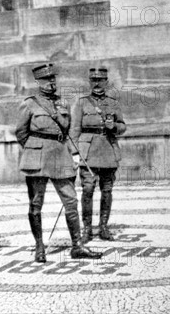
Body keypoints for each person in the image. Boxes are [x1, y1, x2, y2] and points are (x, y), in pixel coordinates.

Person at [16, 63, 102, 263]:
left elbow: (68, 129)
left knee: (71, 201)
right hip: (36, 159)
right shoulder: (29, 103)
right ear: (38, 82)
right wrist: (34, 149)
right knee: (36, 204)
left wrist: (70, 152)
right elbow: (21, 133)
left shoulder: (62, 103)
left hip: (60, 156)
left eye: (53, 79)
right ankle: (39, 247)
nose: (50, 82)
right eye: (46, 80)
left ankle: (77, 246)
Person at [71, 67, 126, 243]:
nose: (97, 84)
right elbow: (74, 130)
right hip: (88, 153)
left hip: (108, 150)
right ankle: (87, 228)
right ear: (90, 83)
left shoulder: (113, 103)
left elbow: (123, 126)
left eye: (100, 80)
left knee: (107, 190)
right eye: (93, 81)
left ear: (106, 82)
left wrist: (114, 127)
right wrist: (74, 153)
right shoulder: (82, 103)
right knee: (87, 189)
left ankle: (103, 226)